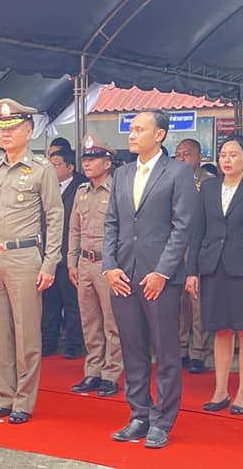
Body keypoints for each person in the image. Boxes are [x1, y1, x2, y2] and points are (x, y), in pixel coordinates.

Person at [103, 109, 197, 449]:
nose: (132, 134)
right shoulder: (123, 173)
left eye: (140, 129)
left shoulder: (178, 172)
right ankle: (139, 414)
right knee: (132, 349)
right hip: (123, 275)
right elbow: (111, 223)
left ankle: (162, 420)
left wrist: (162, 272)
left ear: (159, 135)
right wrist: (110, 266)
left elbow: (182, 227)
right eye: (131, 129)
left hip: (160, 278)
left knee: (166, 350)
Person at [0, 98, 63, 425]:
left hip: (25, 257)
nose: (7, 134)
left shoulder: (41, 169)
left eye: (13, 128)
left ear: (29, 131)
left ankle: (24, 401)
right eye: (3, 129)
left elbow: (55, 217)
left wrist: (50, 263)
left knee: (26, 333)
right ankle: (4, 397)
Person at [186, 136, 243, 416]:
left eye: (233, 154)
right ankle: (220, 390)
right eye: (223, 154)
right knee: (221, 328)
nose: (227, 159)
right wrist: (192, 271)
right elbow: (197, 231)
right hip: (213, 267)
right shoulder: (208, 188)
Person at [67, 135, 122, 396]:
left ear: (107, 163)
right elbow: (74, 230)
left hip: (106, 263)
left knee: (112, 322)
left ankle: (111, 373)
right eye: (85, 159)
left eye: (94, 159)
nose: (87, 163)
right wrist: (72, 261)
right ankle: (93, 371)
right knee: (89, 321)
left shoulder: (117, 191)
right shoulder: (82, 191)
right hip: (85, 262)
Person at [173, 138, 214, 374]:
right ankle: (181, 348)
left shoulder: (208, 182)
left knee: (197, 302)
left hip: (198, 246)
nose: (181, 158)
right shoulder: (170, 179)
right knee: (178, 302)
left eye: (187, 154)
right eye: (178, 154)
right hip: (175, 247)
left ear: (199, 157)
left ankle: (199, 351)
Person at [42, 148, 87, 358]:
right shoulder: (46, 186)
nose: (52, 169)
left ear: (70, 167)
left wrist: (74, 258)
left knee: (72, 303)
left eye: (57, 165)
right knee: (49, 303)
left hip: (69, 253)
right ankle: (48, 341)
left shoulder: (81, 187)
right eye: (50, 165)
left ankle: (73, 343)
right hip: (48, 254)